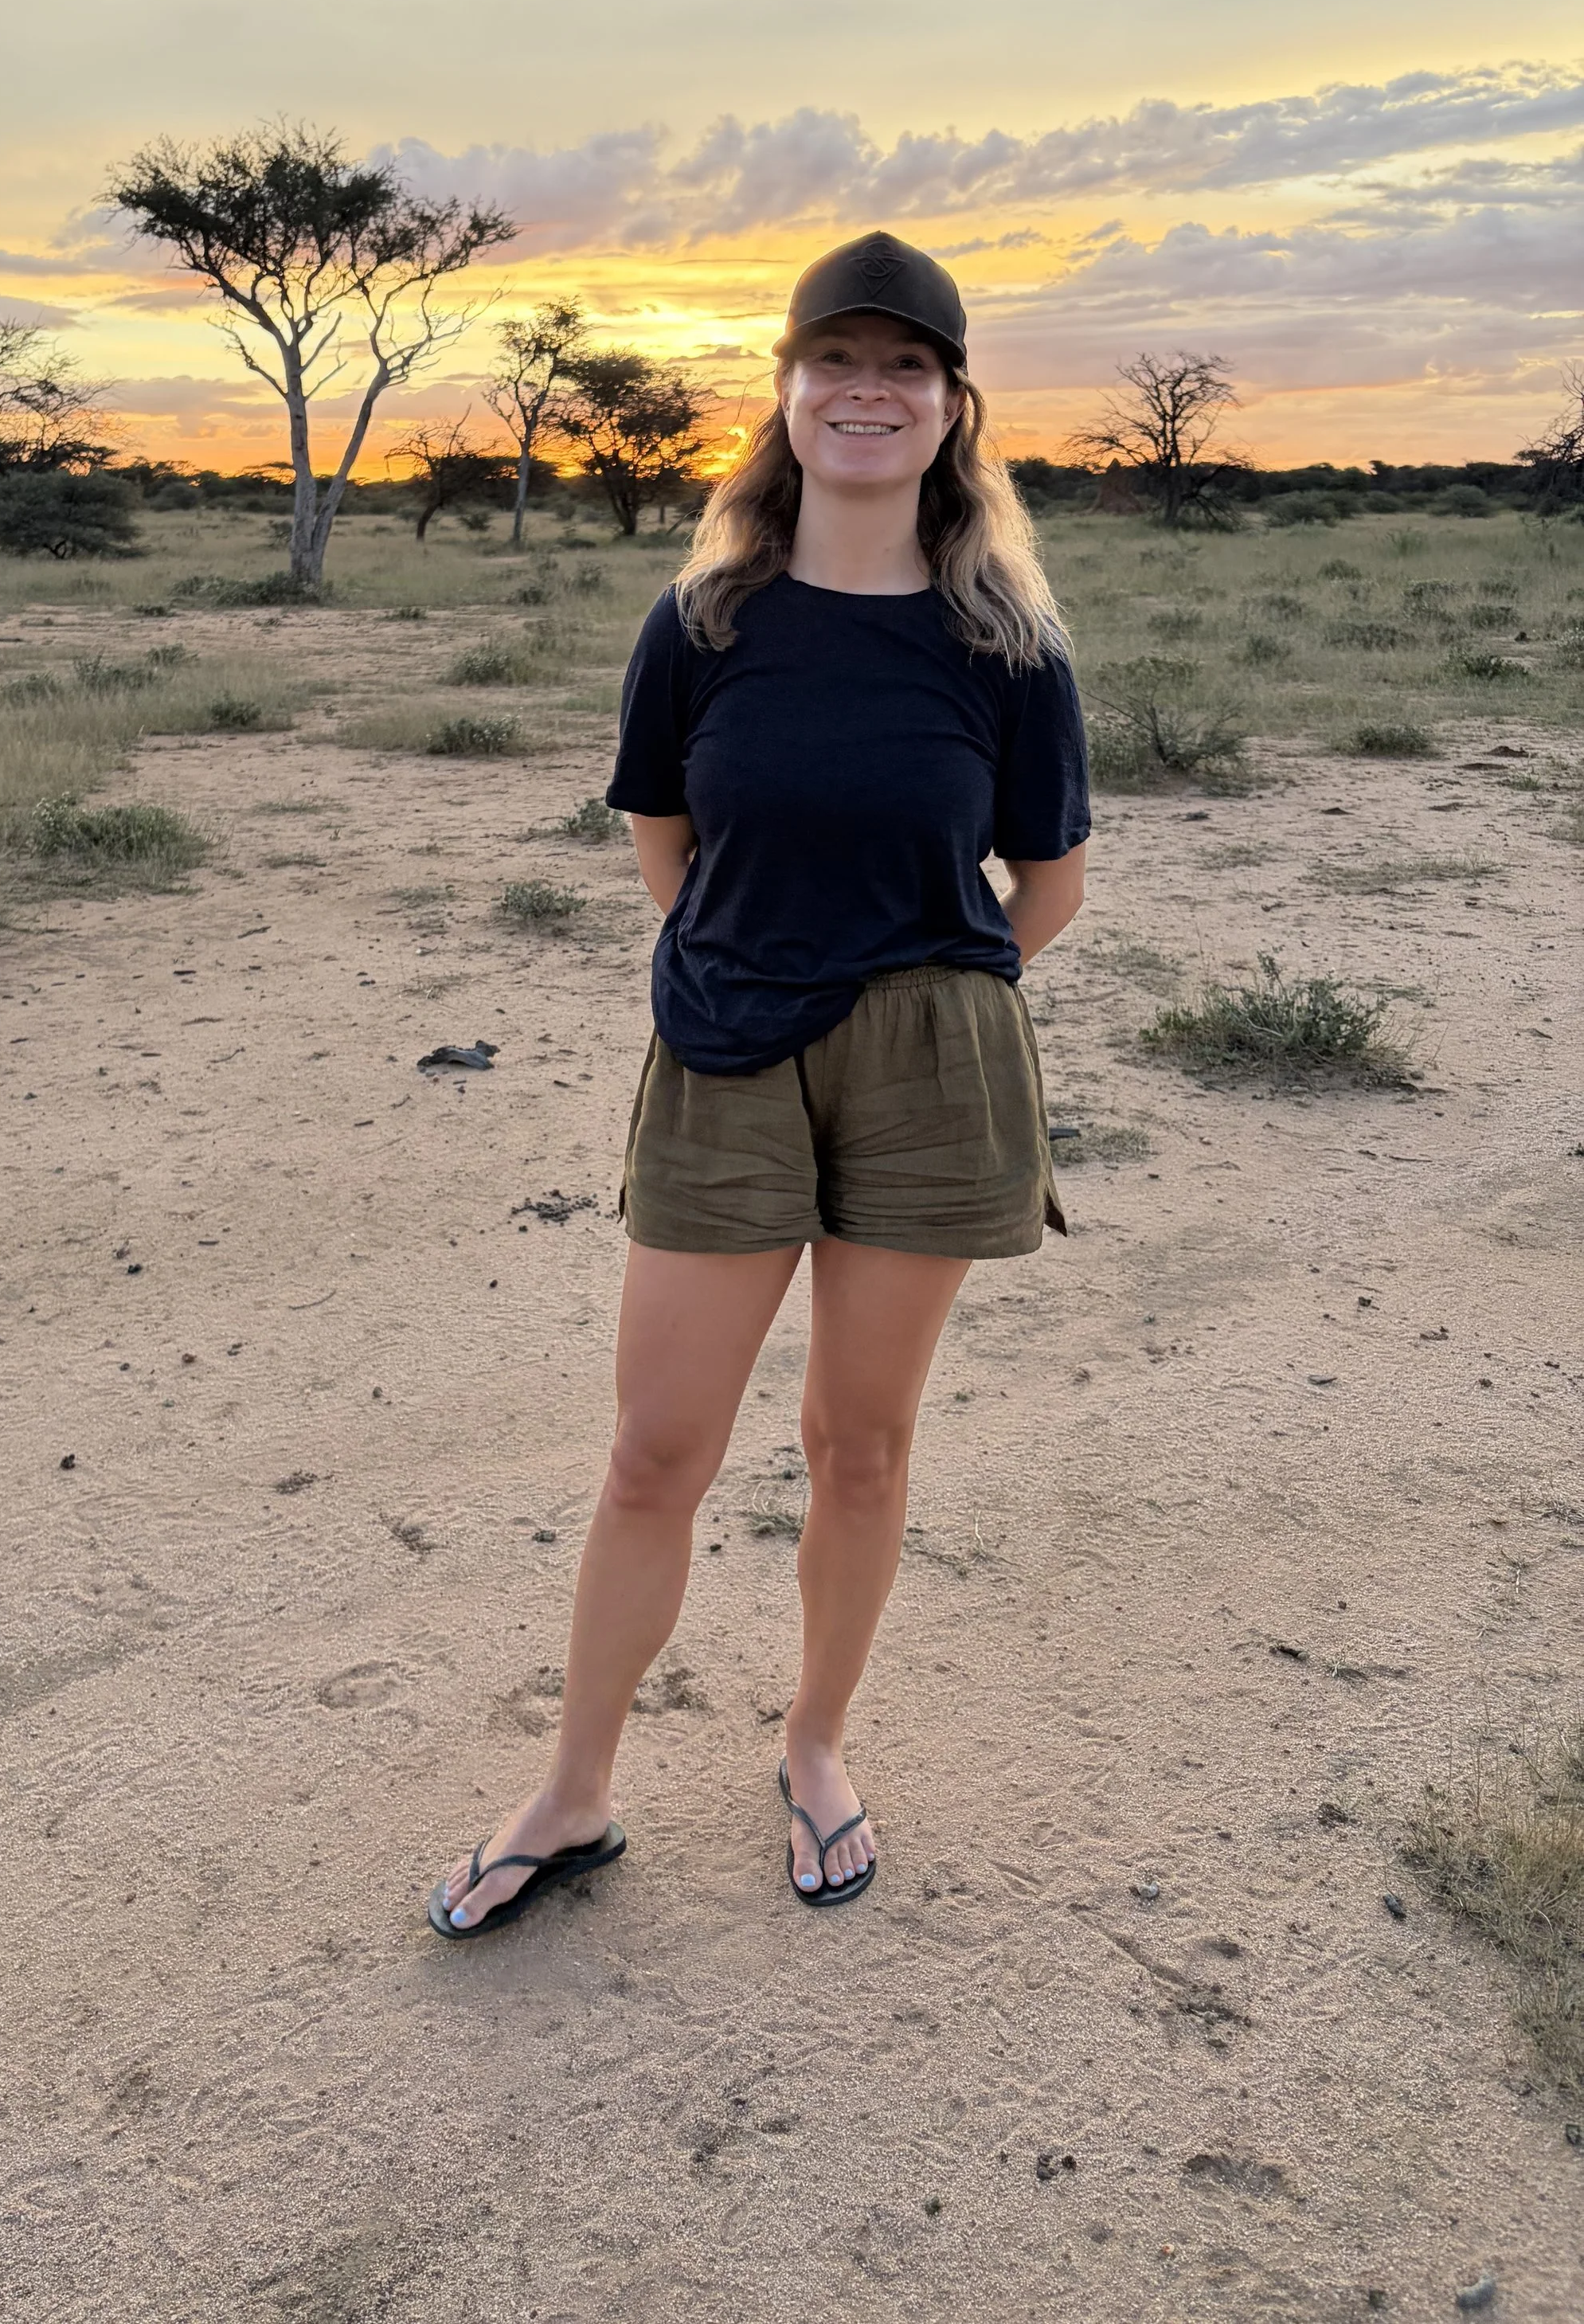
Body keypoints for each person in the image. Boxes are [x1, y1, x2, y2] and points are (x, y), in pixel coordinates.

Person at [430, 231, 1089, 1938]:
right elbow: (668, 845)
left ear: (950, 410)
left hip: (932, 1056)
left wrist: (924, 999)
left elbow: (1049, 887)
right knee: (657, 1451)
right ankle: (572, 1792)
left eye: (905, 366)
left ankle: (813, 1744)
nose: (866, 389)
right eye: (834, 361)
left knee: (856, 1444)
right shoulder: (703, 621)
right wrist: (752, 967)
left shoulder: (1003, 639)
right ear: (784, 395)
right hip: (725, 1047)